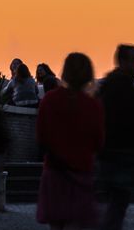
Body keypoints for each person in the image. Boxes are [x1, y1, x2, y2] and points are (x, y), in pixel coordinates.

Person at [35, 53, 105, 230]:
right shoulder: (92, 105)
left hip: (55, 172)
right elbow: (98, 141)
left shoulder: (49, 101)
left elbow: (41, 137)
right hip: (81, 172)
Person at [97, 45, 134, 230]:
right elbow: (129, 120)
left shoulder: (114, 84)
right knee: (118, 202)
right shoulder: (122, 86)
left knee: (116, 203)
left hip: (114, 152)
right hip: (120, 153)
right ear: (124, 62)